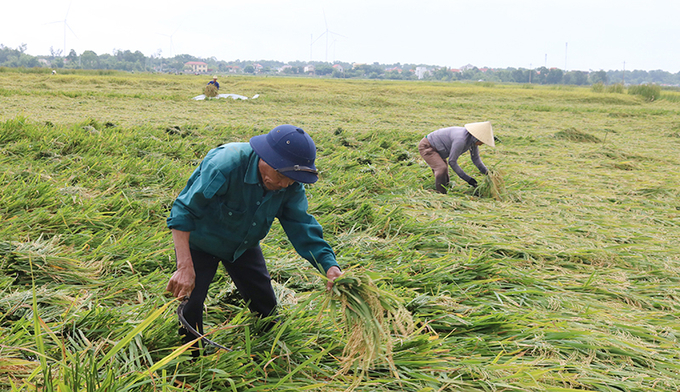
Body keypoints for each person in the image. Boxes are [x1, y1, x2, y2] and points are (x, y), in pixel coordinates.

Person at [165, 124, 343, 354]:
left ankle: (272, 350)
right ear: (264, 157)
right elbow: (182, 211)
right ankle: (191, 357)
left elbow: (301, 225)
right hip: (201, 241)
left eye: (292, 179)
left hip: (243, 245)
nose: (285, 184)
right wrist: (184, 266)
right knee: (191, 304)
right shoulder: (226, 164)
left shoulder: (289, 182)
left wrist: (329, 265)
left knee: (265, 304)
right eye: (281, 175)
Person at [418, 121, 495, 194]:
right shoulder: (461, 140)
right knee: (441, 168)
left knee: (445, 175)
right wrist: (468, 179)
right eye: (482, 142)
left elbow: (476, 159)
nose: (481, 144)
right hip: (428, 146)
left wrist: (488, 173)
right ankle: (440, 195)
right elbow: (452, 161)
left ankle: (444, 190)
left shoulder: (472, 141)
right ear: (477, 138)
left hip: (440, 148)